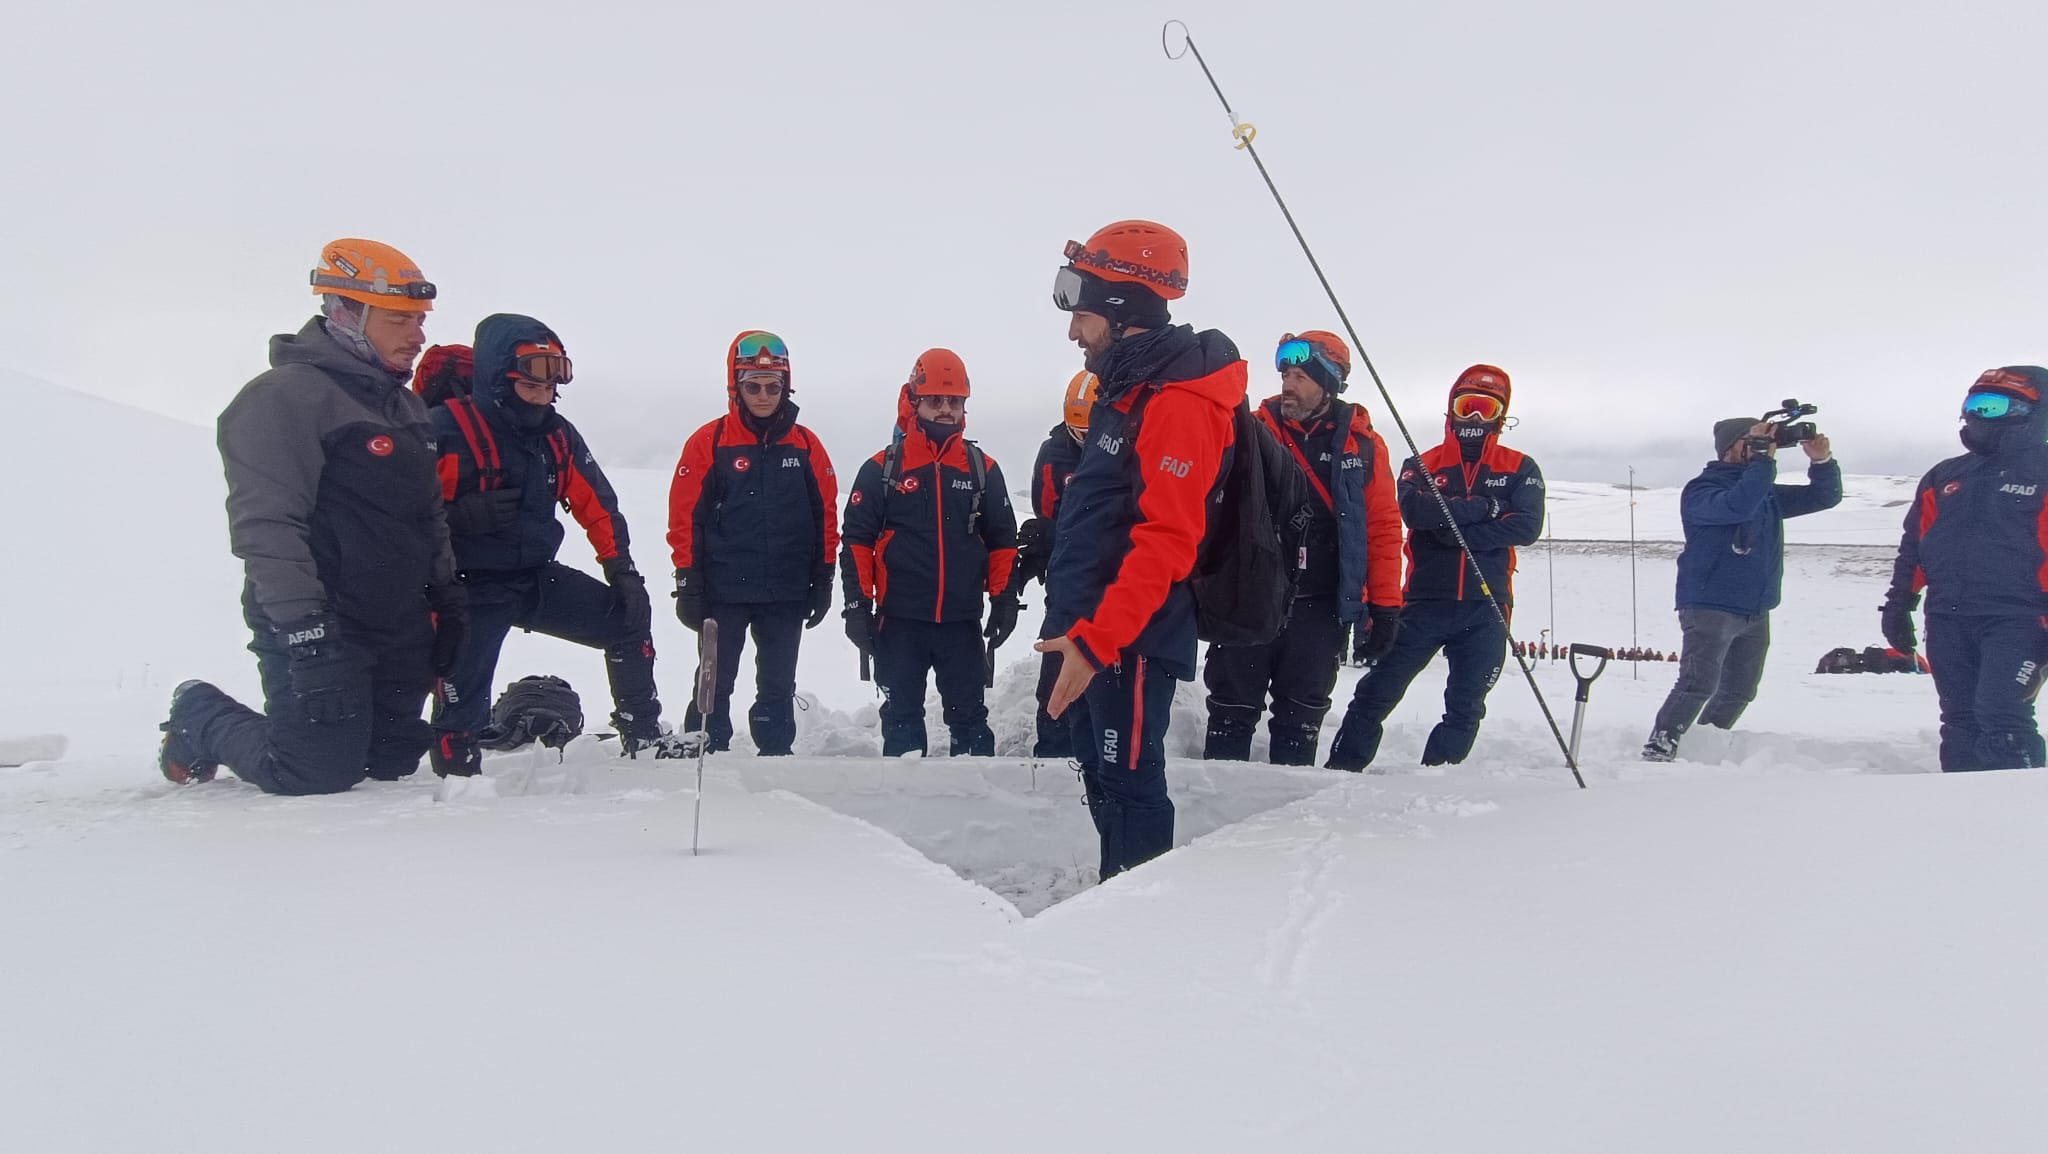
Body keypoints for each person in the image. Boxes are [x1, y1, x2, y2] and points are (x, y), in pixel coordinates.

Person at [157, 239, 466, 793]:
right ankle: (198, 713)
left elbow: (428, 516)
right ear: (346, 313)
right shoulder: (284, 398)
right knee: (315, 771)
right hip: (323, 618)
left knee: (390, 760)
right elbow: (268, 527)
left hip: (395, 615)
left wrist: (446, 596)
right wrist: (305, 632)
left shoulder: (404, 406)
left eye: (419, 320)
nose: (418, 335)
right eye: (400, 319)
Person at [1037, 219, 1241, 878]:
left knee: (1131, 787)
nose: (1073, 330)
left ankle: (1137, 933)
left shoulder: (1178, 402)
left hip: (1129, 639)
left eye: (1082, 310)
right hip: (1094, 632)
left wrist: (1099, 642)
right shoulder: (1124, 390)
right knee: (1100, 773)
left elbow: (1168, 541)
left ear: (1121, 309)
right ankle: (1113, 907)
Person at [426, 313, 677, 773]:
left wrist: (621, 570)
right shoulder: (441, 430)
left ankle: (642, 735)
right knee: (458, 710)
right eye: (531, 387)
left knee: (628, 620)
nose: (542, 399)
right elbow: (399, 519)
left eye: (549, 390)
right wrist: (458, 518)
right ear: (499, 380)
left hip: (532, 577)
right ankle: (455, 777)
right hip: (465, 588)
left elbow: (596, 503)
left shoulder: (555, 435)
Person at [1326, 365, 1545, 771]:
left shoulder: (1521, 467)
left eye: (1485, 408)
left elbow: (1527, 527)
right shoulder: (1423, 463)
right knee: (1377, 691)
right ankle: (1342, 769)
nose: (1474, 418)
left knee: (1466, 705)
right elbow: (1417, 512)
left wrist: (1454, 532)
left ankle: (1436, 781)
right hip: (1426, 601)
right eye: (1467, 407)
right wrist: (1485, 509)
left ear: (1502, 415)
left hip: (1487, 605)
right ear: (1451, 410)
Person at [1201, 331, 1403, 765]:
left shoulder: (1364, 446)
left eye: (1301, 376)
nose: (1288, 384)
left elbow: (1383, 529)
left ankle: (1287, 825)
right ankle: (1215, 815)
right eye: (1286, 374)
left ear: (1329, 382)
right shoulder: (1249, 431)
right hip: (1250, 597)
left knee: (1301, 716)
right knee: (1230, 710)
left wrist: (1385, 606)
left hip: (1320, 607)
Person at [668, 331, 839, 756]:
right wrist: (688, 580)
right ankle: (702, 753)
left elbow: (827, 516)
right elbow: (685, 516)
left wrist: (824, 576)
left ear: (785, 388)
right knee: (713, 681)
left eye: (772, 387)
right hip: (723, 591)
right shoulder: (708, 442)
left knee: (778, 684)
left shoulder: (806, 446)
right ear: (736, 387)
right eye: (753, 387)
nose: (763, 396)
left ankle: (776, 756)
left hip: (786, 591)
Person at [841, 350, 1018, 756]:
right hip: (900, 621)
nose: (944, 410)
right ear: (914, 400)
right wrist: (856, 607)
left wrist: (1004, 599)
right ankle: (902, 813)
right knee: (901, 718)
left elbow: (1003, 541)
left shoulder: (981, 469)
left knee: (970, 720)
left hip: (961, 623)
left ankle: (979, 805)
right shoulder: (883, 468)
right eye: (935, 400)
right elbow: (856, 542)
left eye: (954, 402)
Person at [1641, 413, 1839, 761]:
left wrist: (1821, 461)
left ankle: (1706, 742)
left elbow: (1824, 498)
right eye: (1752, 440)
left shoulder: (1764, 492)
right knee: (1697, 682)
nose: (1761, 447)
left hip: (1755, 607)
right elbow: (1738, 504)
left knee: (1740, 689)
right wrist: (1762, 462)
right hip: (1710, 603)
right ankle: (1661, 744)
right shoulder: (1703, 490)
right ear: (1730, 447)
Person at [1881, 366, 2048, 771]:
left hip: (2021, 618)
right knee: (1960, 721)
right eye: (1974, 404)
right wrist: (1899, 603)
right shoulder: (1945, 475)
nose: (1978, 415)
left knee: (2002, 713)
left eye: (1992, 406)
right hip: (1948, 616)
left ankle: (2021, 814)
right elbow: (1916, 546)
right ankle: (1959, 819)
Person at [1014, 371, 1096, 758]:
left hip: (1117, 591)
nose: (1083, 439)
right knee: (1054, 686)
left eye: (1089, 430)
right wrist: (1043, 544)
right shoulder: (1054, 454)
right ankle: (1052, 758)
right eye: (1076, 430)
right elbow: (1045, 511)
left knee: (1111, 687)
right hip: (1065, 592)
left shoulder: (1131, 447)